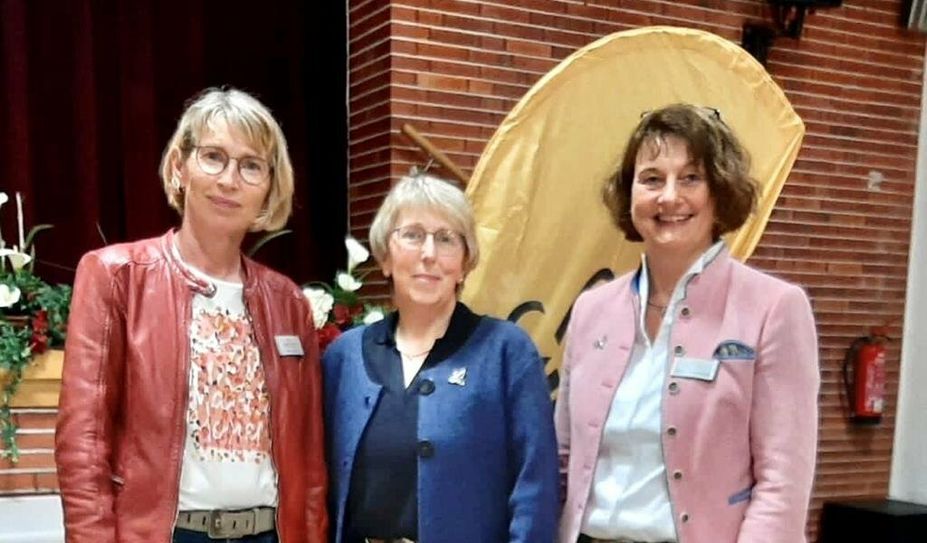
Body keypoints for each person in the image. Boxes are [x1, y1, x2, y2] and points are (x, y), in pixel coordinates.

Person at [55, 88, 327, 543]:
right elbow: (84, 446)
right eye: (213, 157)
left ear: (268, 187)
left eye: (251, 165)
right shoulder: (116, 276)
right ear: (179, 167)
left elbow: (310, 460)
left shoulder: (288, 302)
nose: (229, 180)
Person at [555, 104, 820, 543]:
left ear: (720, 191)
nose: (670, 196)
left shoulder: (774, 309)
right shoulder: (591, 310)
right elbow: (564, 459)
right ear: (630, 193)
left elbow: (782, 484)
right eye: (652, 178)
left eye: (691, 177)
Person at [322, 173, 559, 543]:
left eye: (446, 238)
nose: (429, 254)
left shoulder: (506, 352)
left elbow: (536, 489)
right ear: (385, 256)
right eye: (413, 235)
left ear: (465, 263)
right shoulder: (342, 358)